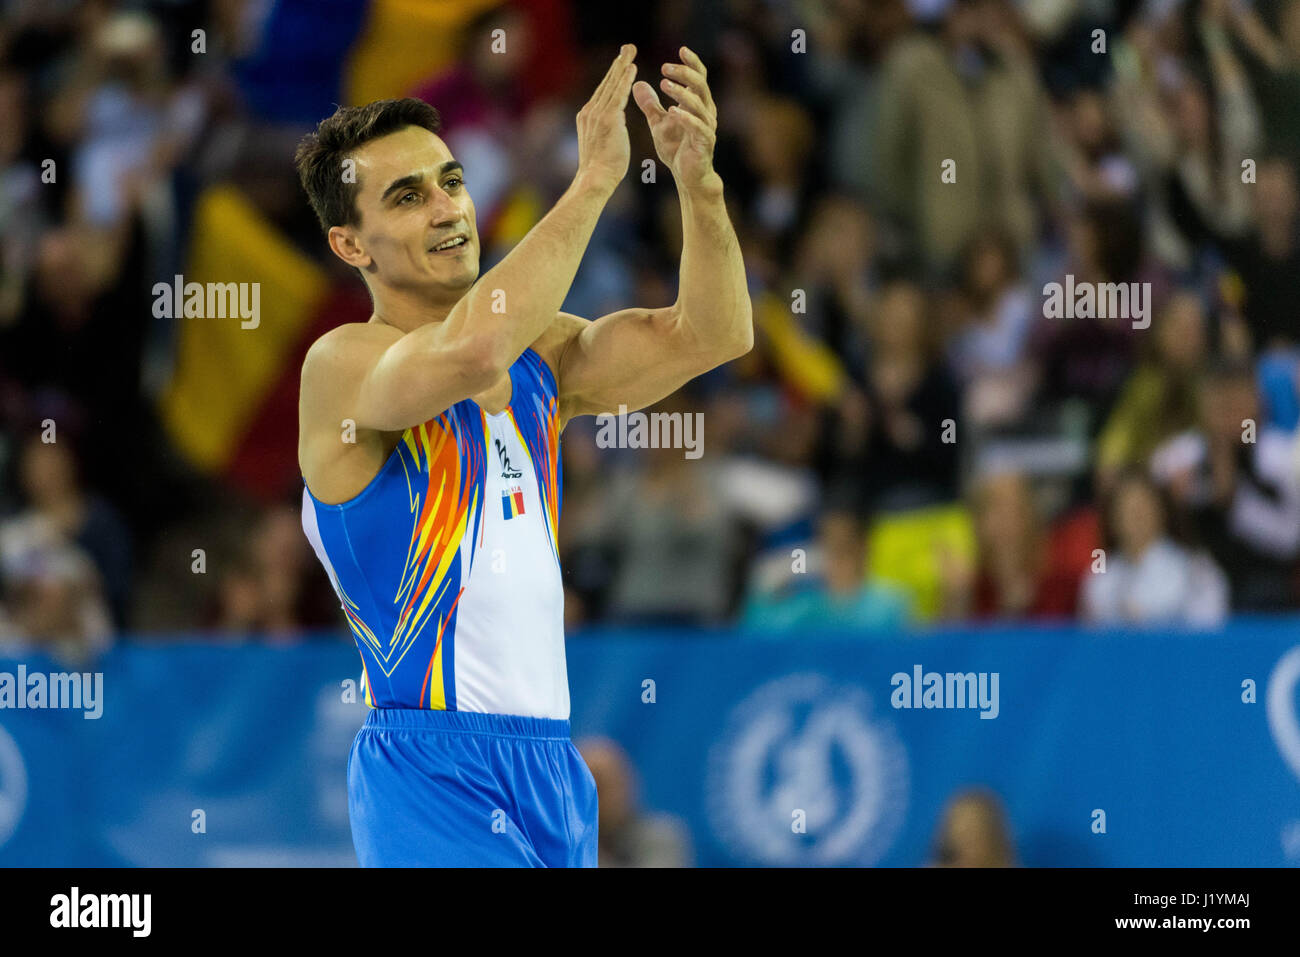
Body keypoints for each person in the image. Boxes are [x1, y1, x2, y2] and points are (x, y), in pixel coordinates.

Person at [293, 44, 752, 867]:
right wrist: (593, 181)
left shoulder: (541, 356)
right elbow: (470, 353)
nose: (446, 208)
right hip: (433, 766)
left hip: (553, 768)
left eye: (452, 181)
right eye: (407, 196)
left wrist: (700, 184)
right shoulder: (343, 366)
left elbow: (714, 334)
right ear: (351, 245)